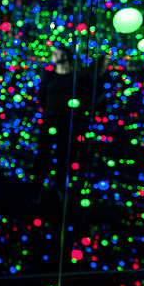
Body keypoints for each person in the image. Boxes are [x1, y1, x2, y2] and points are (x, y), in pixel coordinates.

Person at [33, 46, 89, 197]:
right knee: (43, 154)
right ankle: (37, 188)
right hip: (50, 119)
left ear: (67, 55)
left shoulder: (77, 76)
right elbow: (41, 97)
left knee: (65, 155)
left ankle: (59, 189)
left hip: (68, 121)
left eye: (58, 51)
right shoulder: (49, 75)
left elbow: (84, 99)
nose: (54, 54)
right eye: (54, 52)